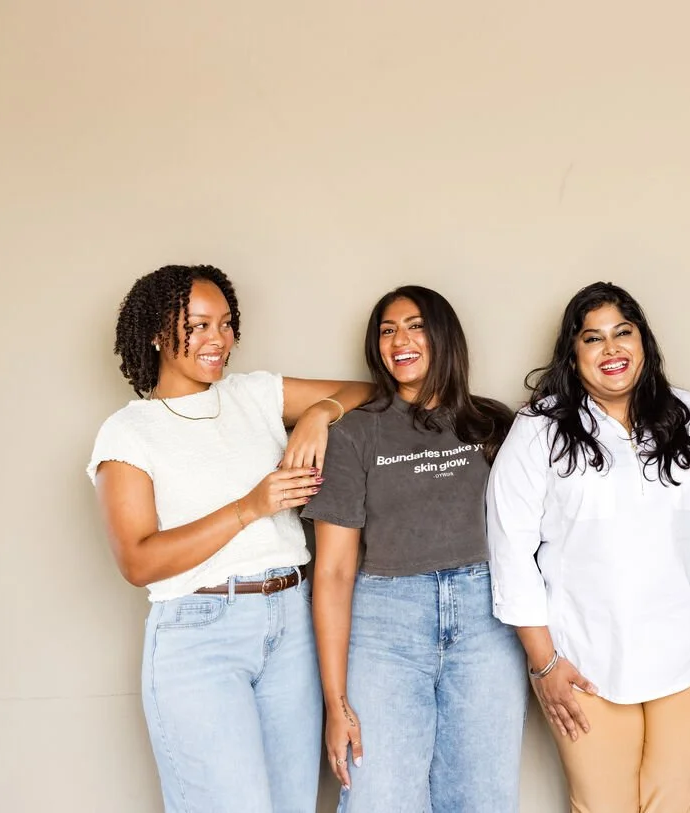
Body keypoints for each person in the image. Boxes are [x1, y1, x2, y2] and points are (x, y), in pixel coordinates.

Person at [87, 264, 373, 813]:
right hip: (199, 637)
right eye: (196, 326)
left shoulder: (255, 394)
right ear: (154, 332)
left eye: (225, 323)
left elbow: (364, 389)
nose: (217, 340)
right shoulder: (129, 431)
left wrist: (319, 412)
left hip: (291, 623)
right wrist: (250, 507)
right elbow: (138, 561)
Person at [486, 281, 690, 813]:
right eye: (593, 338)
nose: (611, 349)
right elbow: (510, 548)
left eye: (622, 333)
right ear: (573, 353)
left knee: (677, 805)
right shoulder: (539, 428)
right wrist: (545, 664)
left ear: (643, 342)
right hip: (583, 660)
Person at [303, 285, 527, 812]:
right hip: (386, 624)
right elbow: (333, 573)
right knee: (379, 799)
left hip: (487, 622)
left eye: (415, 326)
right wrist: (337, 705)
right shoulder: (356, 433)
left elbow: (537, 540)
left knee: (482, 798)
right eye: (387, 330)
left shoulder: (493, 425)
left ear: (443, 336)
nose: (399, 340)